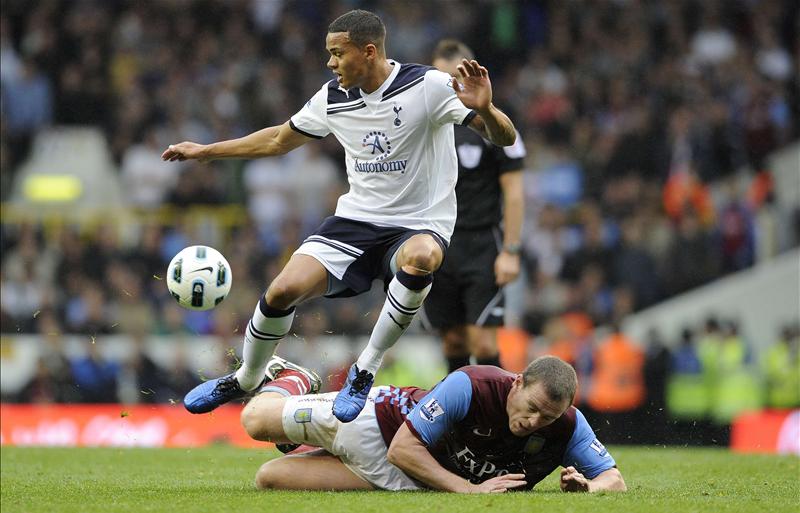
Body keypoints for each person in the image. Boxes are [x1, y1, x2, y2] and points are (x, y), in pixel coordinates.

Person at [162, 9, 517, 422]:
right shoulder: (333, 97)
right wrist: (207, 151)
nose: (330, 63)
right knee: (281, 291)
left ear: (369, 51)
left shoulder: (428, 86)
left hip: (419, 222)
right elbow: (278, 139)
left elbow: (504, 137)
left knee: (422, 258)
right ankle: (246, 377)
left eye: (337, 53)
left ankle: (364, 368)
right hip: (356, 222)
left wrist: (488, 111)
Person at [241, 355, 627, 493]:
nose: (534, 422)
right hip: (375, 421)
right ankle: (294, 378)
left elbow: (615, 479)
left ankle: (300, 444)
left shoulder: (567, 425)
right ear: (518, 383)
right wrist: (466, 490)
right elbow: (402, 448)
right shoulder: (473, 384)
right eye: (533, 408)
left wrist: (590, 487)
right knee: (255, 420)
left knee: (269, 478)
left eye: (548, 417)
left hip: (406, 477)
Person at [423, 39, 526, 373]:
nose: (447, 85)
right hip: (436, 242)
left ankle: (494, 422)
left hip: (482, 244)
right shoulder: (425, 123)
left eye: (454, 77)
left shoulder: (492, 124)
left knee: (483, 343)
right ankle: (461, 420)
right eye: (439, 78)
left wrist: (510, 250)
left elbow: (513, 190)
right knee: (453, 340)